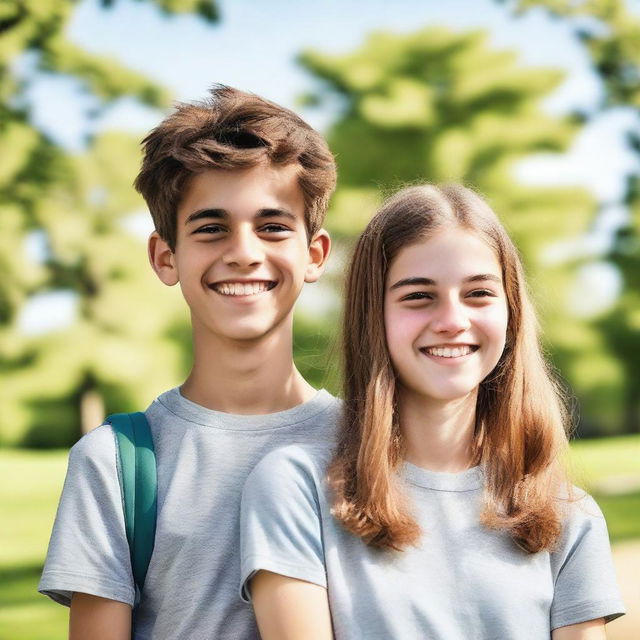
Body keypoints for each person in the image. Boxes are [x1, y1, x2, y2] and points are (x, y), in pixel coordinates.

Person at [240, 184, 626, 639]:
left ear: (511, 313)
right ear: (373, 315)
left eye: (478, 293)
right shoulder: (294, 487)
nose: (452, 320)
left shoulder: (569, 517)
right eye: (419, 296)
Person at [38, 84, 340, 639]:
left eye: (273, 227)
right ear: (165, 256)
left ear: (314, 254)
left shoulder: (372, 442)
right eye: (211, 228)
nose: (244, 252)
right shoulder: (114, 464)